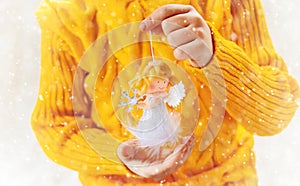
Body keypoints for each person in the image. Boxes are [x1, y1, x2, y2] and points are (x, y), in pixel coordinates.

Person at [32, 0, 300, 185]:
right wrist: (119, 158)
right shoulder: (65, 15)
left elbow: (276, 115)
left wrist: (217, 56)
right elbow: (54, 124)